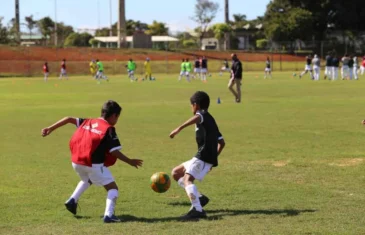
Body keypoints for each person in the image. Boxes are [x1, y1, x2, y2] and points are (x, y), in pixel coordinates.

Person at [41, 100, 143, 223]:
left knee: (88, 179)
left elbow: (68, 119)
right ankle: (109, 215)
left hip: (76, 162)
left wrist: (50, 128)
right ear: (114, 115)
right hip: (92, 165)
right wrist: (130, 161)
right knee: (113, 188)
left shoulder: (88, 121)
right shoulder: (109, 129)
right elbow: (114, 151)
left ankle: (72, 200)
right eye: (117, 117)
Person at [170, 91, 225, 220]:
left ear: (196, 105)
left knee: (187, 180)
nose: (191, 108)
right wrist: (213, 158)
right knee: (176, 173)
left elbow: (198, 117)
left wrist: (179, 129)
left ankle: (197, 209)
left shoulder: (202, 115)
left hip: (203, 156)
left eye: (191, 105)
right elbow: (222, 143)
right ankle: (200, 198)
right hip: (205, 157)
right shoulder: (211, 119)